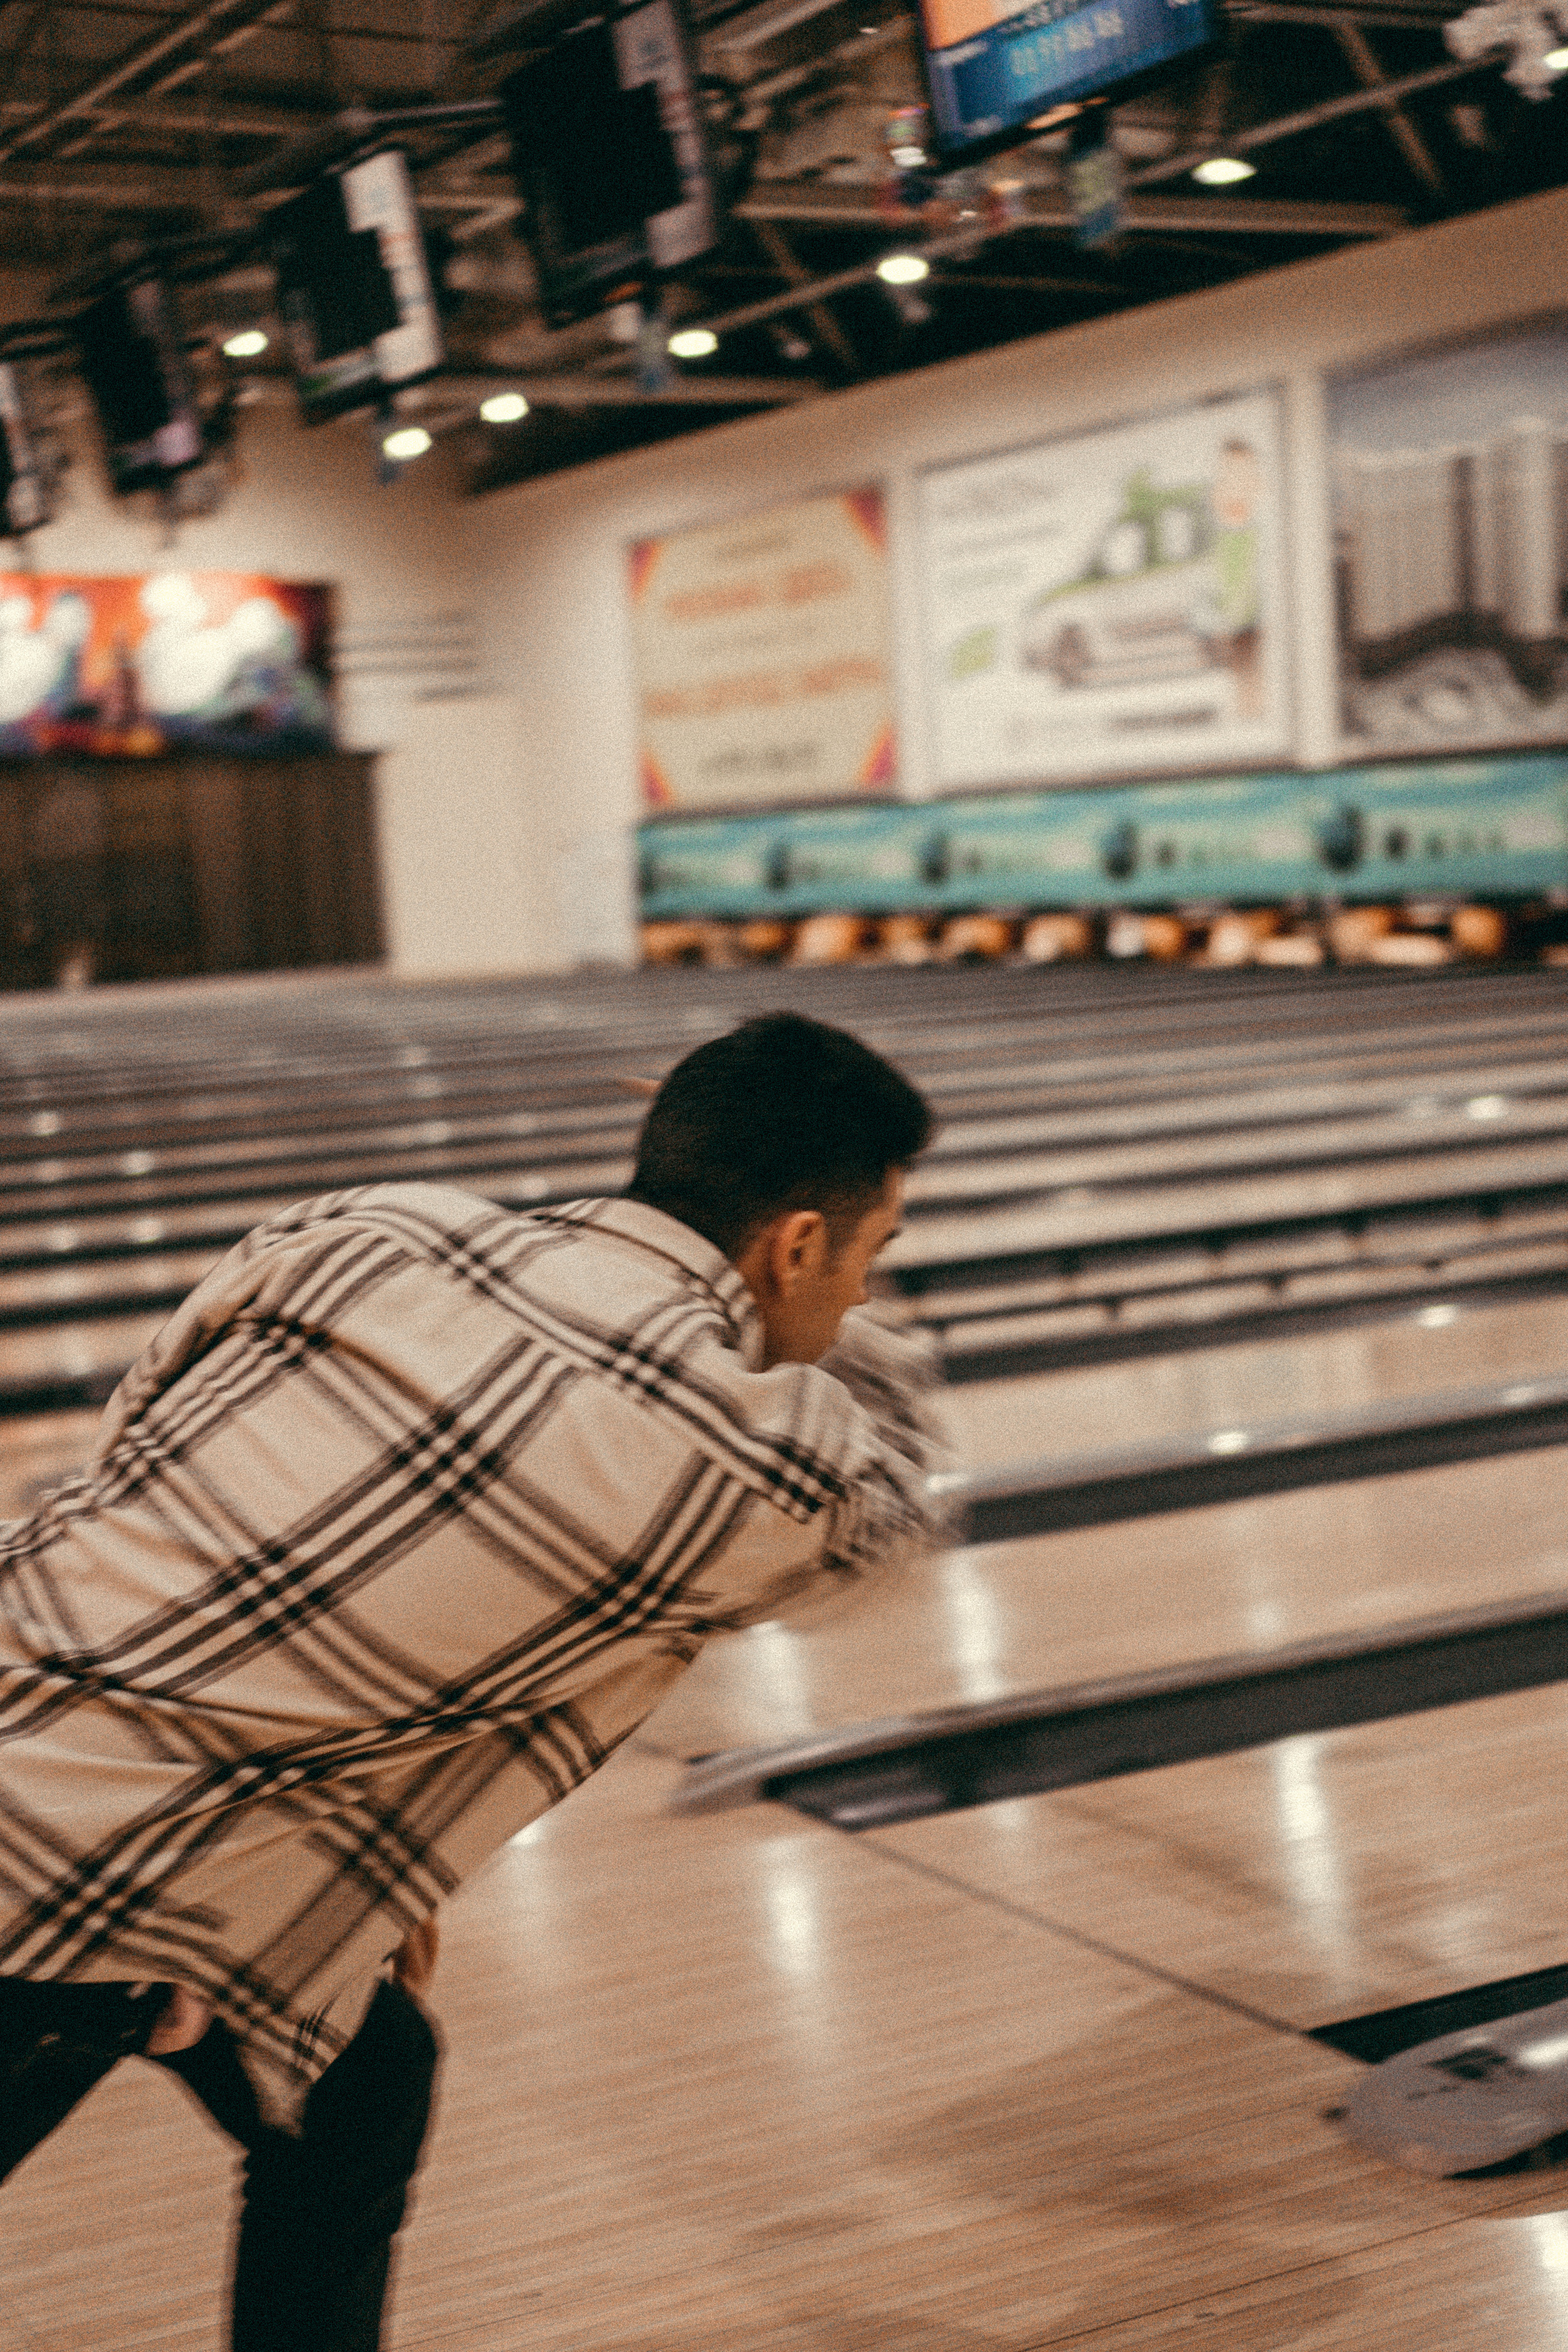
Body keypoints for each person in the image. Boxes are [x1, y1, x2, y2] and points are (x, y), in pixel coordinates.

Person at [0, 1009, 943, 2350]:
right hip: (60, 1871)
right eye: (870, 1254)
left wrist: (330, 1885)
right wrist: (854, 1329)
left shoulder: (364, 1229)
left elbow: (138, 1458)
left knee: (361, 2078)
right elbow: (897, 1519)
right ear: (796, 1241)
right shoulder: (754, 1454)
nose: (860, 1290)